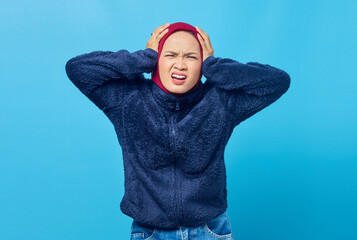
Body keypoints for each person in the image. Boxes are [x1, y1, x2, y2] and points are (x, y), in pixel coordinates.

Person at [65, 22, 291, 240]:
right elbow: (78, 69)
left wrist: (215, 66)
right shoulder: (128, 99)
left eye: (191, 57)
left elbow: (277, 81)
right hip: (150, 233)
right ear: (157, 59)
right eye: (170, 55)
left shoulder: (220, 102)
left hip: (210, 231)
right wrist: (141, 59)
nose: (180, 65)